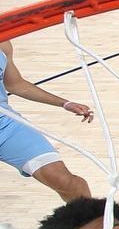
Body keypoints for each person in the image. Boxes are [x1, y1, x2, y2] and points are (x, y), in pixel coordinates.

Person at [1, 41, 92, 201]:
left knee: (65, 181)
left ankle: (94, 223)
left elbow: (16, 85)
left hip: (5, 125)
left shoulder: (3, 42)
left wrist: (65, 103)